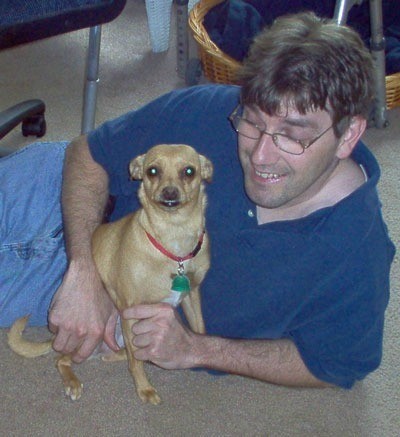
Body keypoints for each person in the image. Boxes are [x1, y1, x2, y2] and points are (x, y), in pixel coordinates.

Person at [0, 12, 395, 389]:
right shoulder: (210, 109)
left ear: (348, 135)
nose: (259, 155)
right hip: (63, 199)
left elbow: (336, 364)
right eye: (254, 122)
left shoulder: (356, 252)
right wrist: (83, 271)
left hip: (62, 282)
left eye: (292, 135)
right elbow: (87, 154)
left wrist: (196, 349)